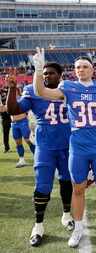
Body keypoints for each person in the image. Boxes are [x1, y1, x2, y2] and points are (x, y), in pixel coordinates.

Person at [32, 48, 96, 247]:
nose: (81, 70)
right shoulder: (68, 87)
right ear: (74, 71)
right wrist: (38, 70)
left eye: (85, 66)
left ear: (92, 70)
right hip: (77, 147)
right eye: (77, 67)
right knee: (78, 188)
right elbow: (42, 91)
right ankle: (79, 227)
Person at [6, 62, 74, 247]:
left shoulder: (68, 89)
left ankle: (67, 215)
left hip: (67, 145)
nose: (46, 76)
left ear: (60, 75)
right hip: (45, 146)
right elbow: (14, 110)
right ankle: (38, 226)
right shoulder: (32, 90)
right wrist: (12, 89)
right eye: (44, 73)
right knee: (43, 186)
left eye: (51, 73)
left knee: (67, 181)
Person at [2, 75, 35, 167]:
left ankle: (36, 157)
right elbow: (5, 109)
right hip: (14, 123)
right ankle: (21, 160)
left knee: (28, 140)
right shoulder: (9, 98)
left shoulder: (20, 97)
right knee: (18, 142)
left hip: (23, 121)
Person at [0, 82, 11, 153]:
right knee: (5, 132)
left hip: (13, 114)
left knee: (20, 132)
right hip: (4, 116)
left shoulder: (9, 90)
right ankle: (6, 147)